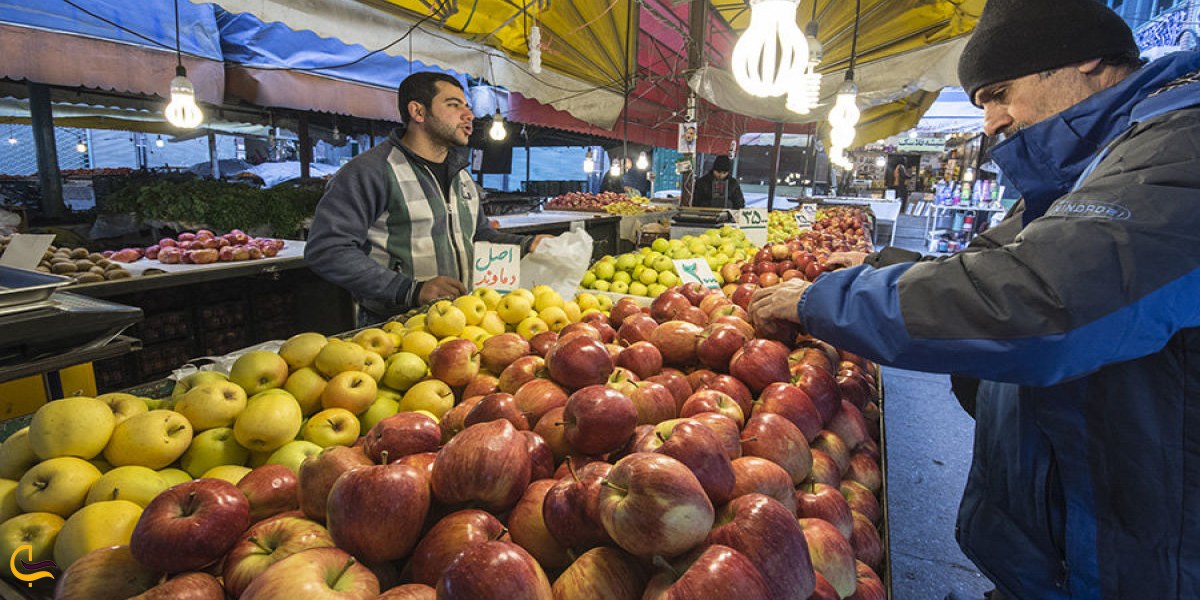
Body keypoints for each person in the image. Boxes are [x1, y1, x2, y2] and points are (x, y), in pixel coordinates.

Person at [749, 0, 1200, 597]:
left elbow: (1044, 299)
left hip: (1137, 559)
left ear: (1085, 58)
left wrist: (823, 301)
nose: (990, 121)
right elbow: (991, 264)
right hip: (1071, 538)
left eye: (999, 92)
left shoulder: (1179, 149)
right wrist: (878, 267)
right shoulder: (1083, 170)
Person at [305, 72, 547, 324]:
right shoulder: (371, 171)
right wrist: (411, 289)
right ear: (418, 112)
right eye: (454, 105)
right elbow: (328, 249)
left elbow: (479, 236)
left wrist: (528, 243)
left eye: (467, 107)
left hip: (461, 321)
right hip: (395, 325)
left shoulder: (462, 177)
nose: (469, 116)